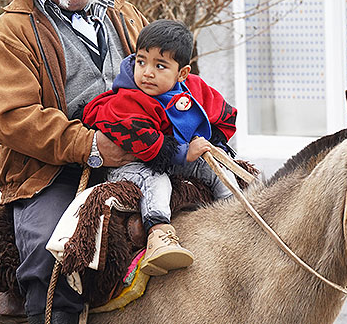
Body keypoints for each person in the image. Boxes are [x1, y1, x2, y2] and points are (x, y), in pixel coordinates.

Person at [0, 0, 148, 323]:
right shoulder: (10, 32)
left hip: (143, 153)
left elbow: (166, 73)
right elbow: (10, 117)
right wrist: (89, 146)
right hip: (50, 171)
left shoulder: (123, 15)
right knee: (50, 256)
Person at [82, 19, 238, 276]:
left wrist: (213, 144)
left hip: (178, 157)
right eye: (141, 61)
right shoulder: (128, 98)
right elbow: (140, 138)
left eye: (160, 65)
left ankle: (236, 214)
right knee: (157, 180)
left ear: (182, 73)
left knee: (218, 170)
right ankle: (159, 234)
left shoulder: (193, 88)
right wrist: (182, 152)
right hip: (131, 164)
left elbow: (224, 113)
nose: (147, 72)